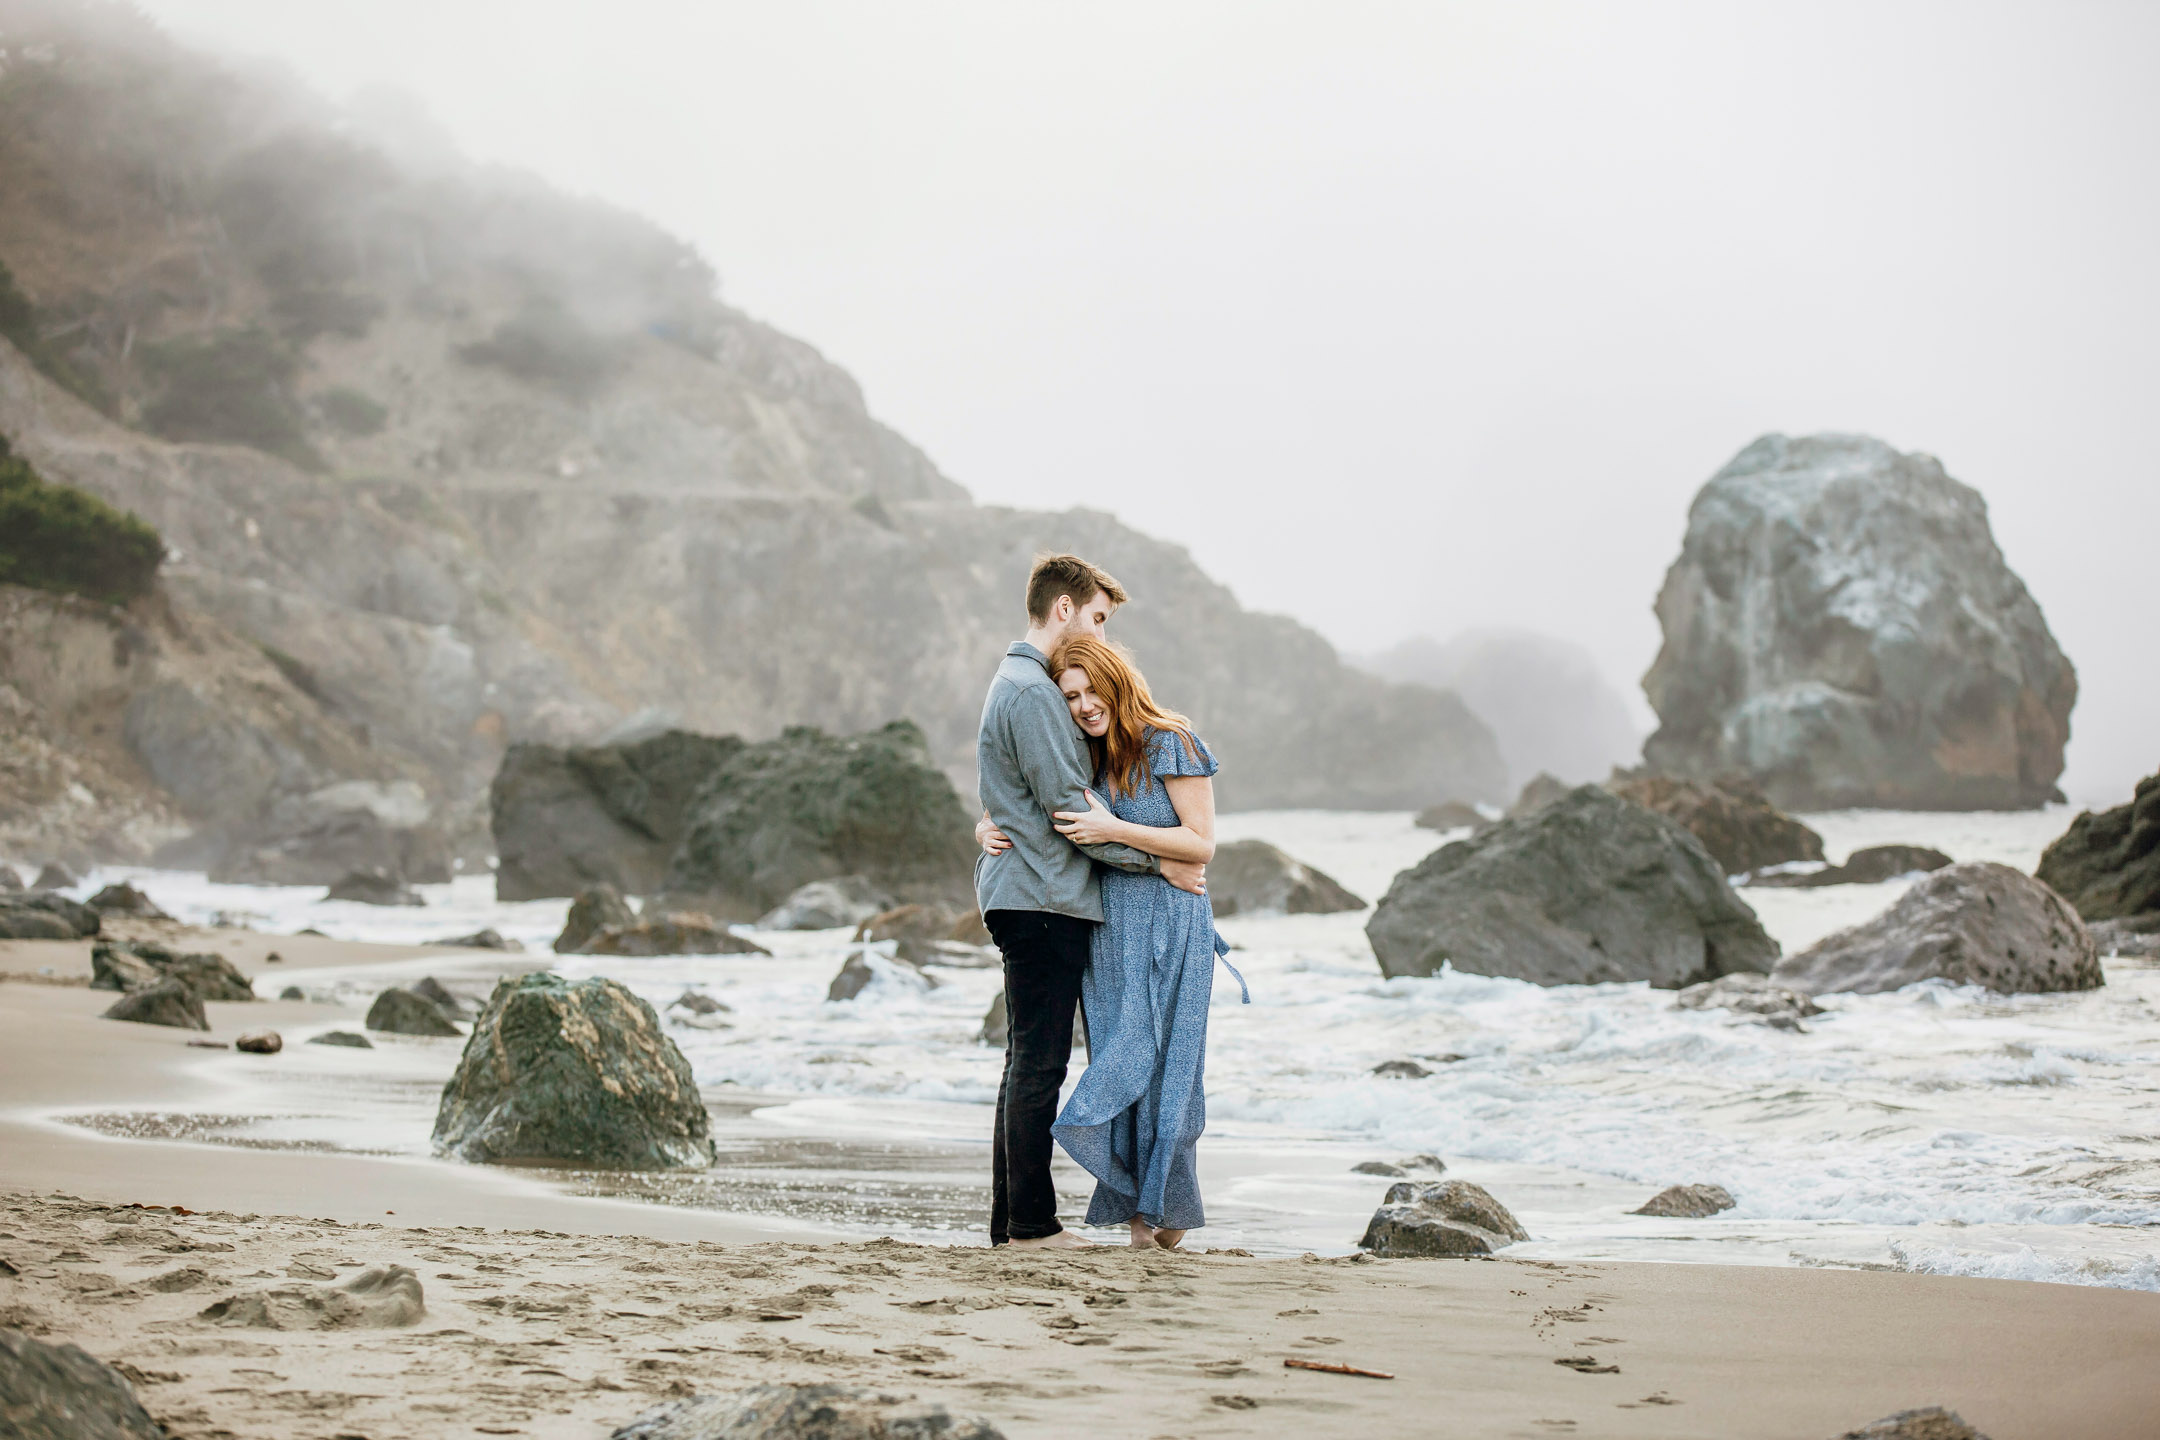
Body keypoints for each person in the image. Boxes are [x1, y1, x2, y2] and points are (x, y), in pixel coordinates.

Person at [973, 554, 1209, 1250]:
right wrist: (1161, 861)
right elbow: (1069, 811)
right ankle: (1029, 1228)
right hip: (1044, 901)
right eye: (1098, 618)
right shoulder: (1030, 692)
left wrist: (995, 820)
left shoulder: (1025, 688)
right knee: (1038, 1067)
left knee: (1029, 1063)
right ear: (1066, 609)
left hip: (1051, 899)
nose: (1102, 637)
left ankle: (1013, 1225)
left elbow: (1028, 794)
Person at [1040, 635, 1245, 1250]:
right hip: (1109, 932)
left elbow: (1200, 844)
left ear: (1115, 680)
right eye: (1069, 697)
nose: (1082, 706)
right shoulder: (1086, 758)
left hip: (1174, 924)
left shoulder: (1171, 741)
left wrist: (1111, 825)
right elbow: (1045, 812)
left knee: (1167, 1067)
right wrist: (987, 822)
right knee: (1117, 1059)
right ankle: (1137, 1228)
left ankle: (1170, 1207)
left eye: (1088, 690)